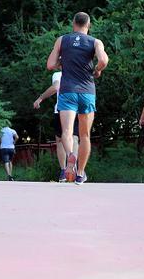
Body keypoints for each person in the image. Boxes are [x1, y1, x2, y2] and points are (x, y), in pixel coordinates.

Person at [46, 12, 109, 185]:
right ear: (88, 25)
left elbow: (50, 65)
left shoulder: (62, 40)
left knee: (66, 132)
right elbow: (103, 60)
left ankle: (70, 156)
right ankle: (80, 173)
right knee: (85, 135)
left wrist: (62, 61)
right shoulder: (95, 42)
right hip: (87, 92)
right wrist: (97, 69)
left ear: (73, 23)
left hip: (67, 91)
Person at [33, 71, 80, 182]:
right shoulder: (78, 71)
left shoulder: (58, 74)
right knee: (74, 137)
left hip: (61, 109)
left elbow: (56, 87)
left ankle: (64, 171)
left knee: (60, 140)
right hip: (78, 108)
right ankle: (75, 169)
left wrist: (40, 98)